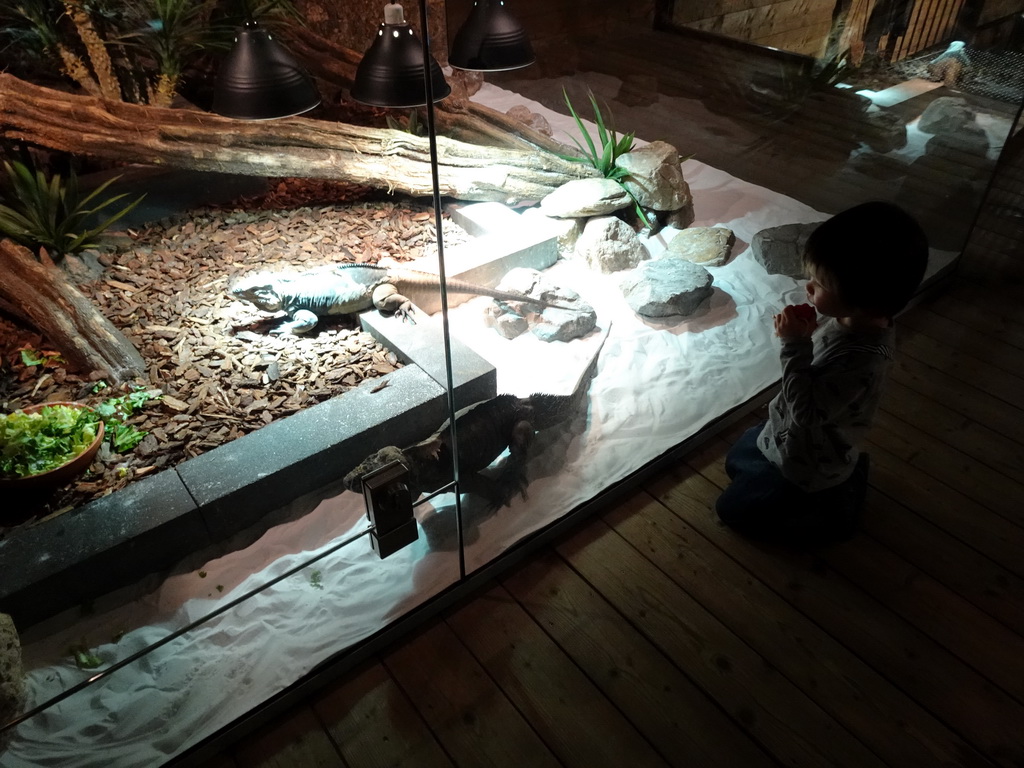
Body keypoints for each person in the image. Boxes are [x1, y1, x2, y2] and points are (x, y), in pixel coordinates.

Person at [716, 201, 929, 545]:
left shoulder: (862, 362)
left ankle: (831, 506)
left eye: (817, 283)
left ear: (861, 298)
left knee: (732, 510)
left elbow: (808, 413)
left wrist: (794, 345)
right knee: (739, 457)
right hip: (789, 434)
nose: (808, 287)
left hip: (809, 461)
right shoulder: (856, 320)